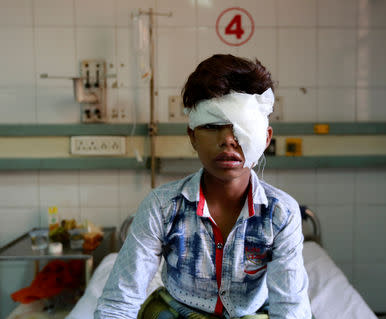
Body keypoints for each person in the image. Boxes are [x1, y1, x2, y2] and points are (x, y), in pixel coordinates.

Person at [95, 54, 311, 319]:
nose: (228, 140)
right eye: (211, 126)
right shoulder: (162, 207)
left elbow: (290, 309)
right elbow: (119, 302)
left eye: (242, 127)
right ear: (192, 136)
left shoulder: (281, 214)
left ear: (265, 138)